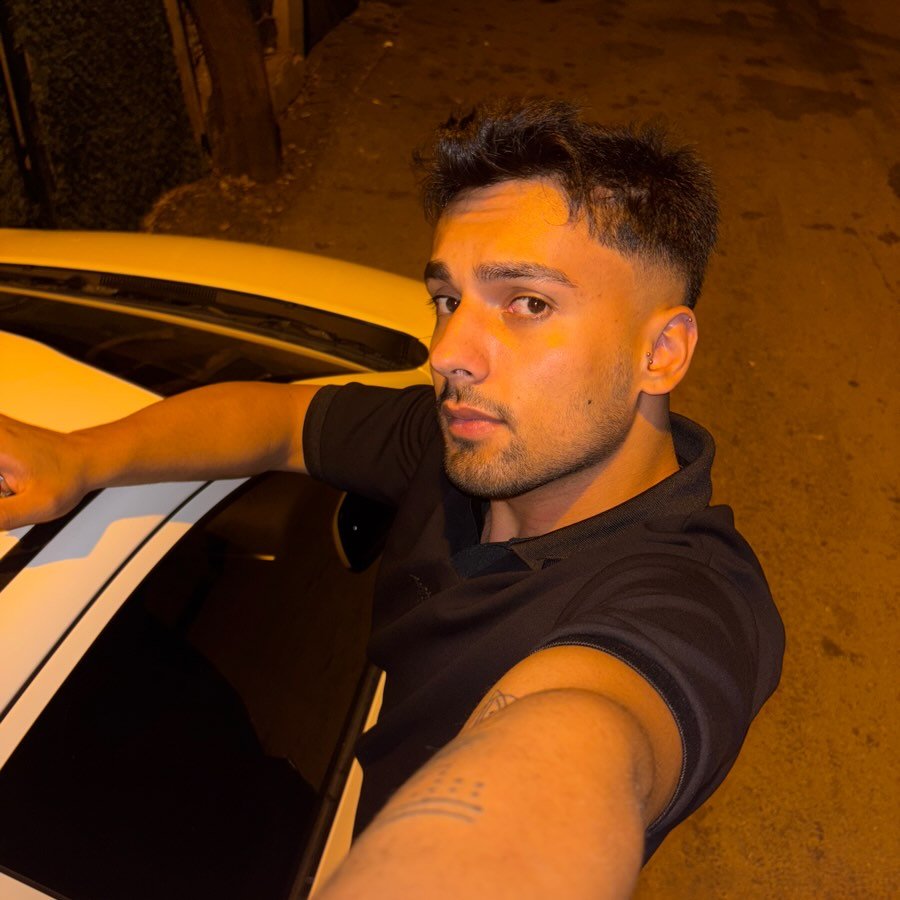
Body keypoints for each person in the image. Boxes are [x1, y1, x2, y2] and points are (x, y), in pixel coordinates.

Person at [0, 98, 783, 898]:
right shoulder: (458, 445)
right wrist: (81, 455)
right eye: (449, 299)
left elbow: (585, 733)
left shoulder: (689, 604)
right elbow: (285, 421)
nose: (448, 353)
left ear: (661, 351)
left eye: (528, 303)